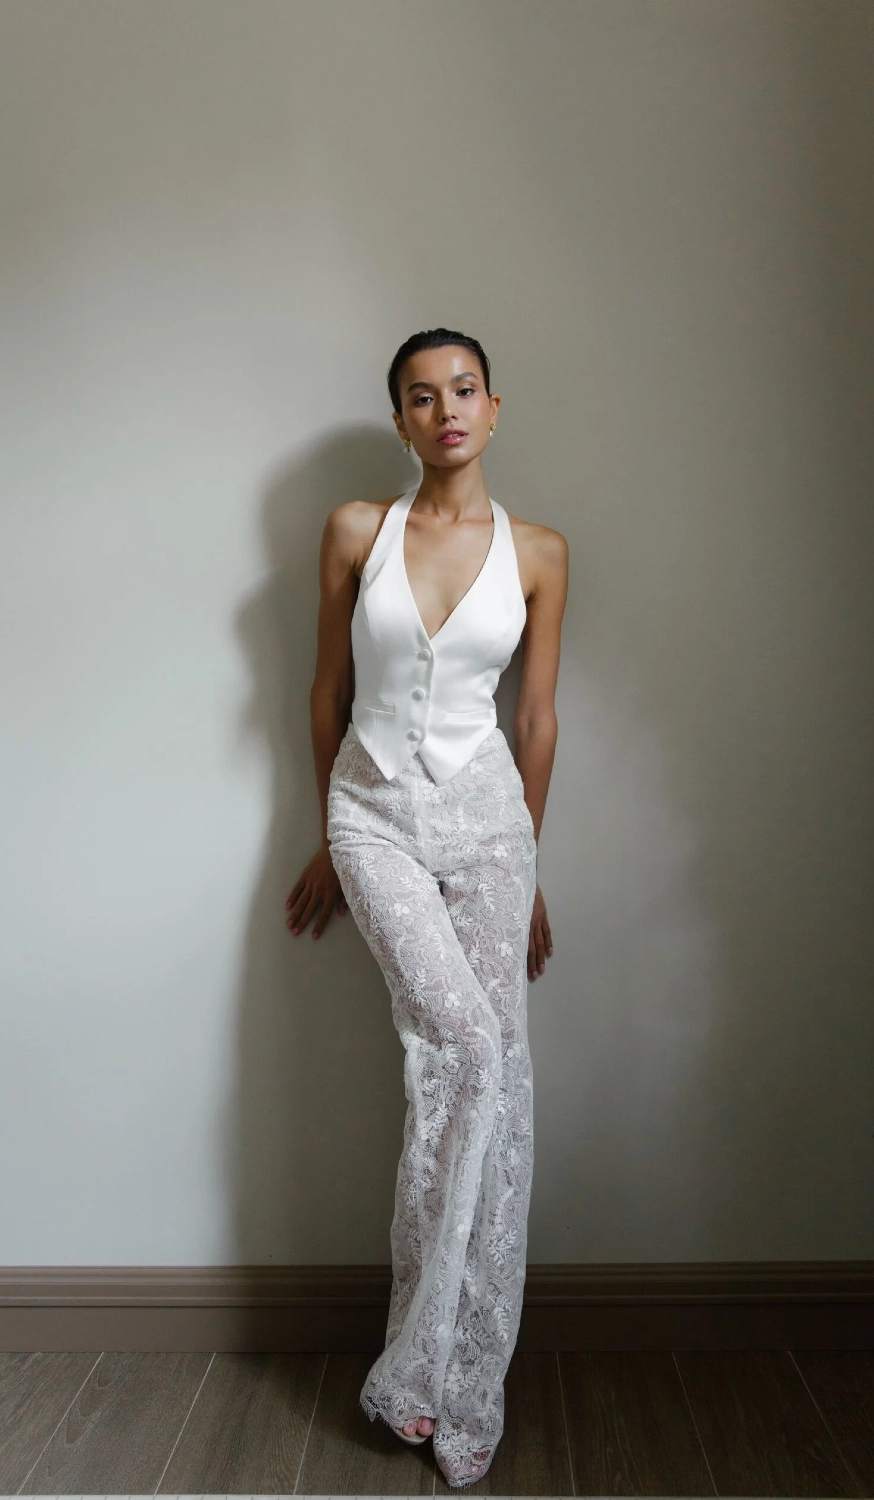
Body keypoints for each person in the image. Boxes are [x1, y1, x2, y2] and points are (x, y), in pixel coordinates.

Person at [284, 327, 568, 1488]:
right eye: (419, 395)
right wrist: (330, 836)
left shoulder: (540, 551)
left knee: (499, 1079)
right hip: (373, 813)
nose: (444, 408)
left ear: (494, 408)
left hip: (492, 826)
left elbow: (535, 719)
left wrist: (529, 863)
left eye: (462, 389)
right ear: (399, 420)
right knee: (465, 1049)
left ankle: (464, 1383)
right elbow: (327, 690)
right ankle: (412, 1366)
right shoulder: (357, 530)